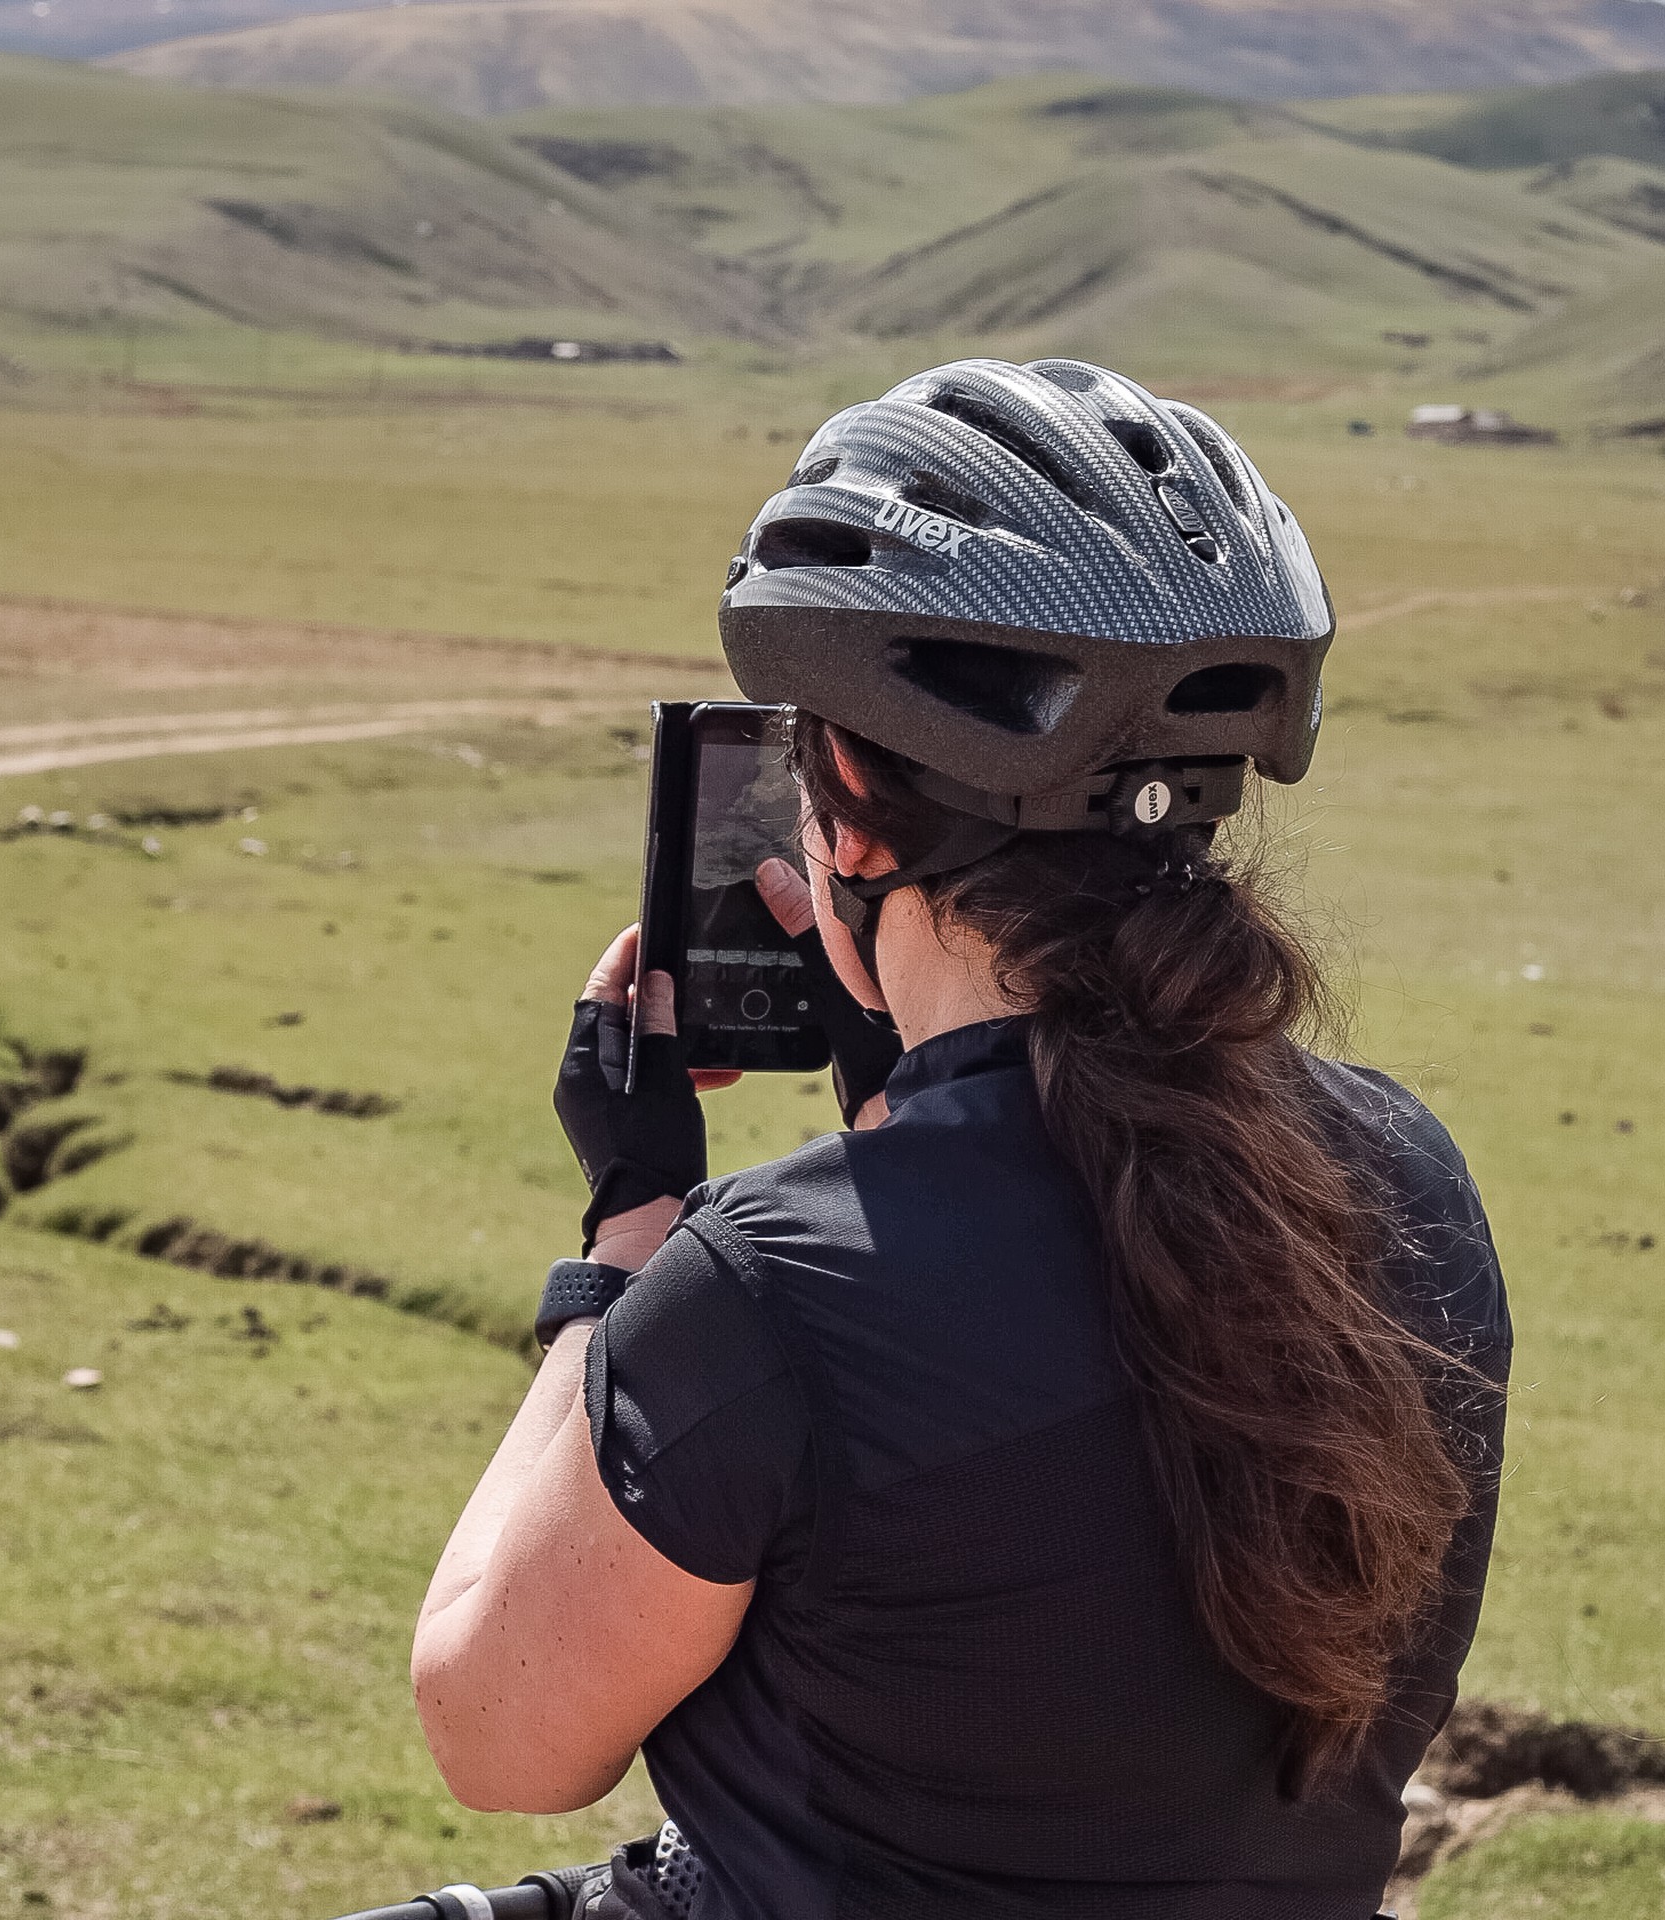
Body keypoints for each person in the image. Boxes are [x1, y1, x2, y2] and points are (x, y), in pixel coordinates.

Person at [410, 358, 1511, 1920]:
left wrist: (633, 1234)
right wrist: (914, 1087)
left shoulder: (773, 1285)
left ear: (844, 813)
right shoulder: (1407, 1176)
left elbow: (493, 1729)